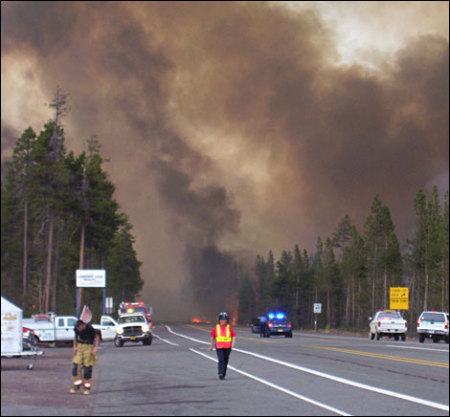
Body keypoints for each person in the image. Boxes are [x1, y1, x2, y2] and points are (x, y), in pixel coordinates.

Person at [70, 320, 100, 394]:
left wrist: (96, 348)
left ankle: (87, 387)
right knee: (76, 366)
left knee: (87, 367)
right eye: (78, 328)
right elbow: (75, 337)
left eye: (80, 328)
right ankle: (76, 385)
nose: (79, 330)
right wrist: (74, 346)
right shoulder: (77, 329)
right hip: (80, 346)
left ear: (83, 325)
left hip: (88, 347)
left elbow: (97, 337)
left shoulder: (90, 328)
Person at [209, 312, 236, 380]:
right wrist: (211, 345)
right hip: (219, 346)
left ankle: (224, 373)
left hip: (227, 346)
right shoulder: (216, 327)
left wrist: (233, 343)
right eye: (221, 319)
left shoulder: (229, 327)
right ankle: (220, 373)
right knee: (221, 360)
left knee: (225, 360)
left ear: (226, 320)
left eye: (224, 319)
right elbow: (212, 336)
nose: (222, 321)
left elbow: (234, 335)